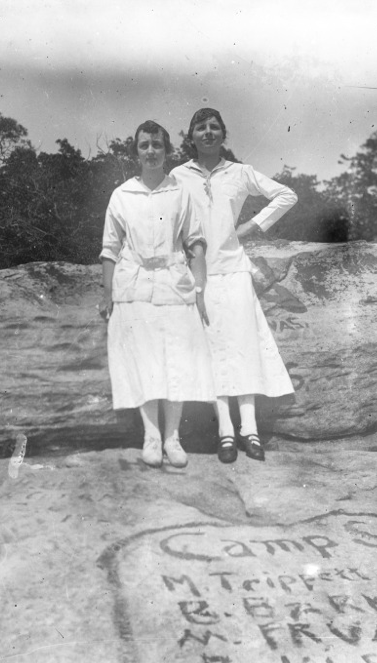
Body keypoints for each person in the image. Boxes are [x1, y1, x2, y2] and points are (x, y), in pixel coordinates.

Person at [170, 108, 297, 463]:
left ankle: (250, 431)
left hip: (234, 270)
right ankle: (226, 433)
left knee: (243, 348)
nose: (208, 132)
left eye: (214, 127)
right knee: (211, 351)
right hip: (198, 273)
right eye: (200, 127)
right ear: (191, 134)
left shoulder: (240, 173)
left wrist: (252, 226)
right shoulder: (178, 175)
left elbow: (286, 195)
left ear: (223, 134)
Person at [99, 120, 215, 468]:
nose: (151, 151)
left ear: (167, 151)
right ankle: (151, 436)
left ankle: (172, 437)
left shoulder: (180, 192)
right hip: (133, 284)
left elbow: (195, 243)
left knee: (176, 358)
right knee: (143, 359)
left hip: (173, 282)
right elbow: (109, 248)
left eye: (157, 146)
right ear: (136, 151)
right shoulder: (122, 195)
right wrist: (107, 293)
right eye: (144, 145)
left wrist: (199, 289)